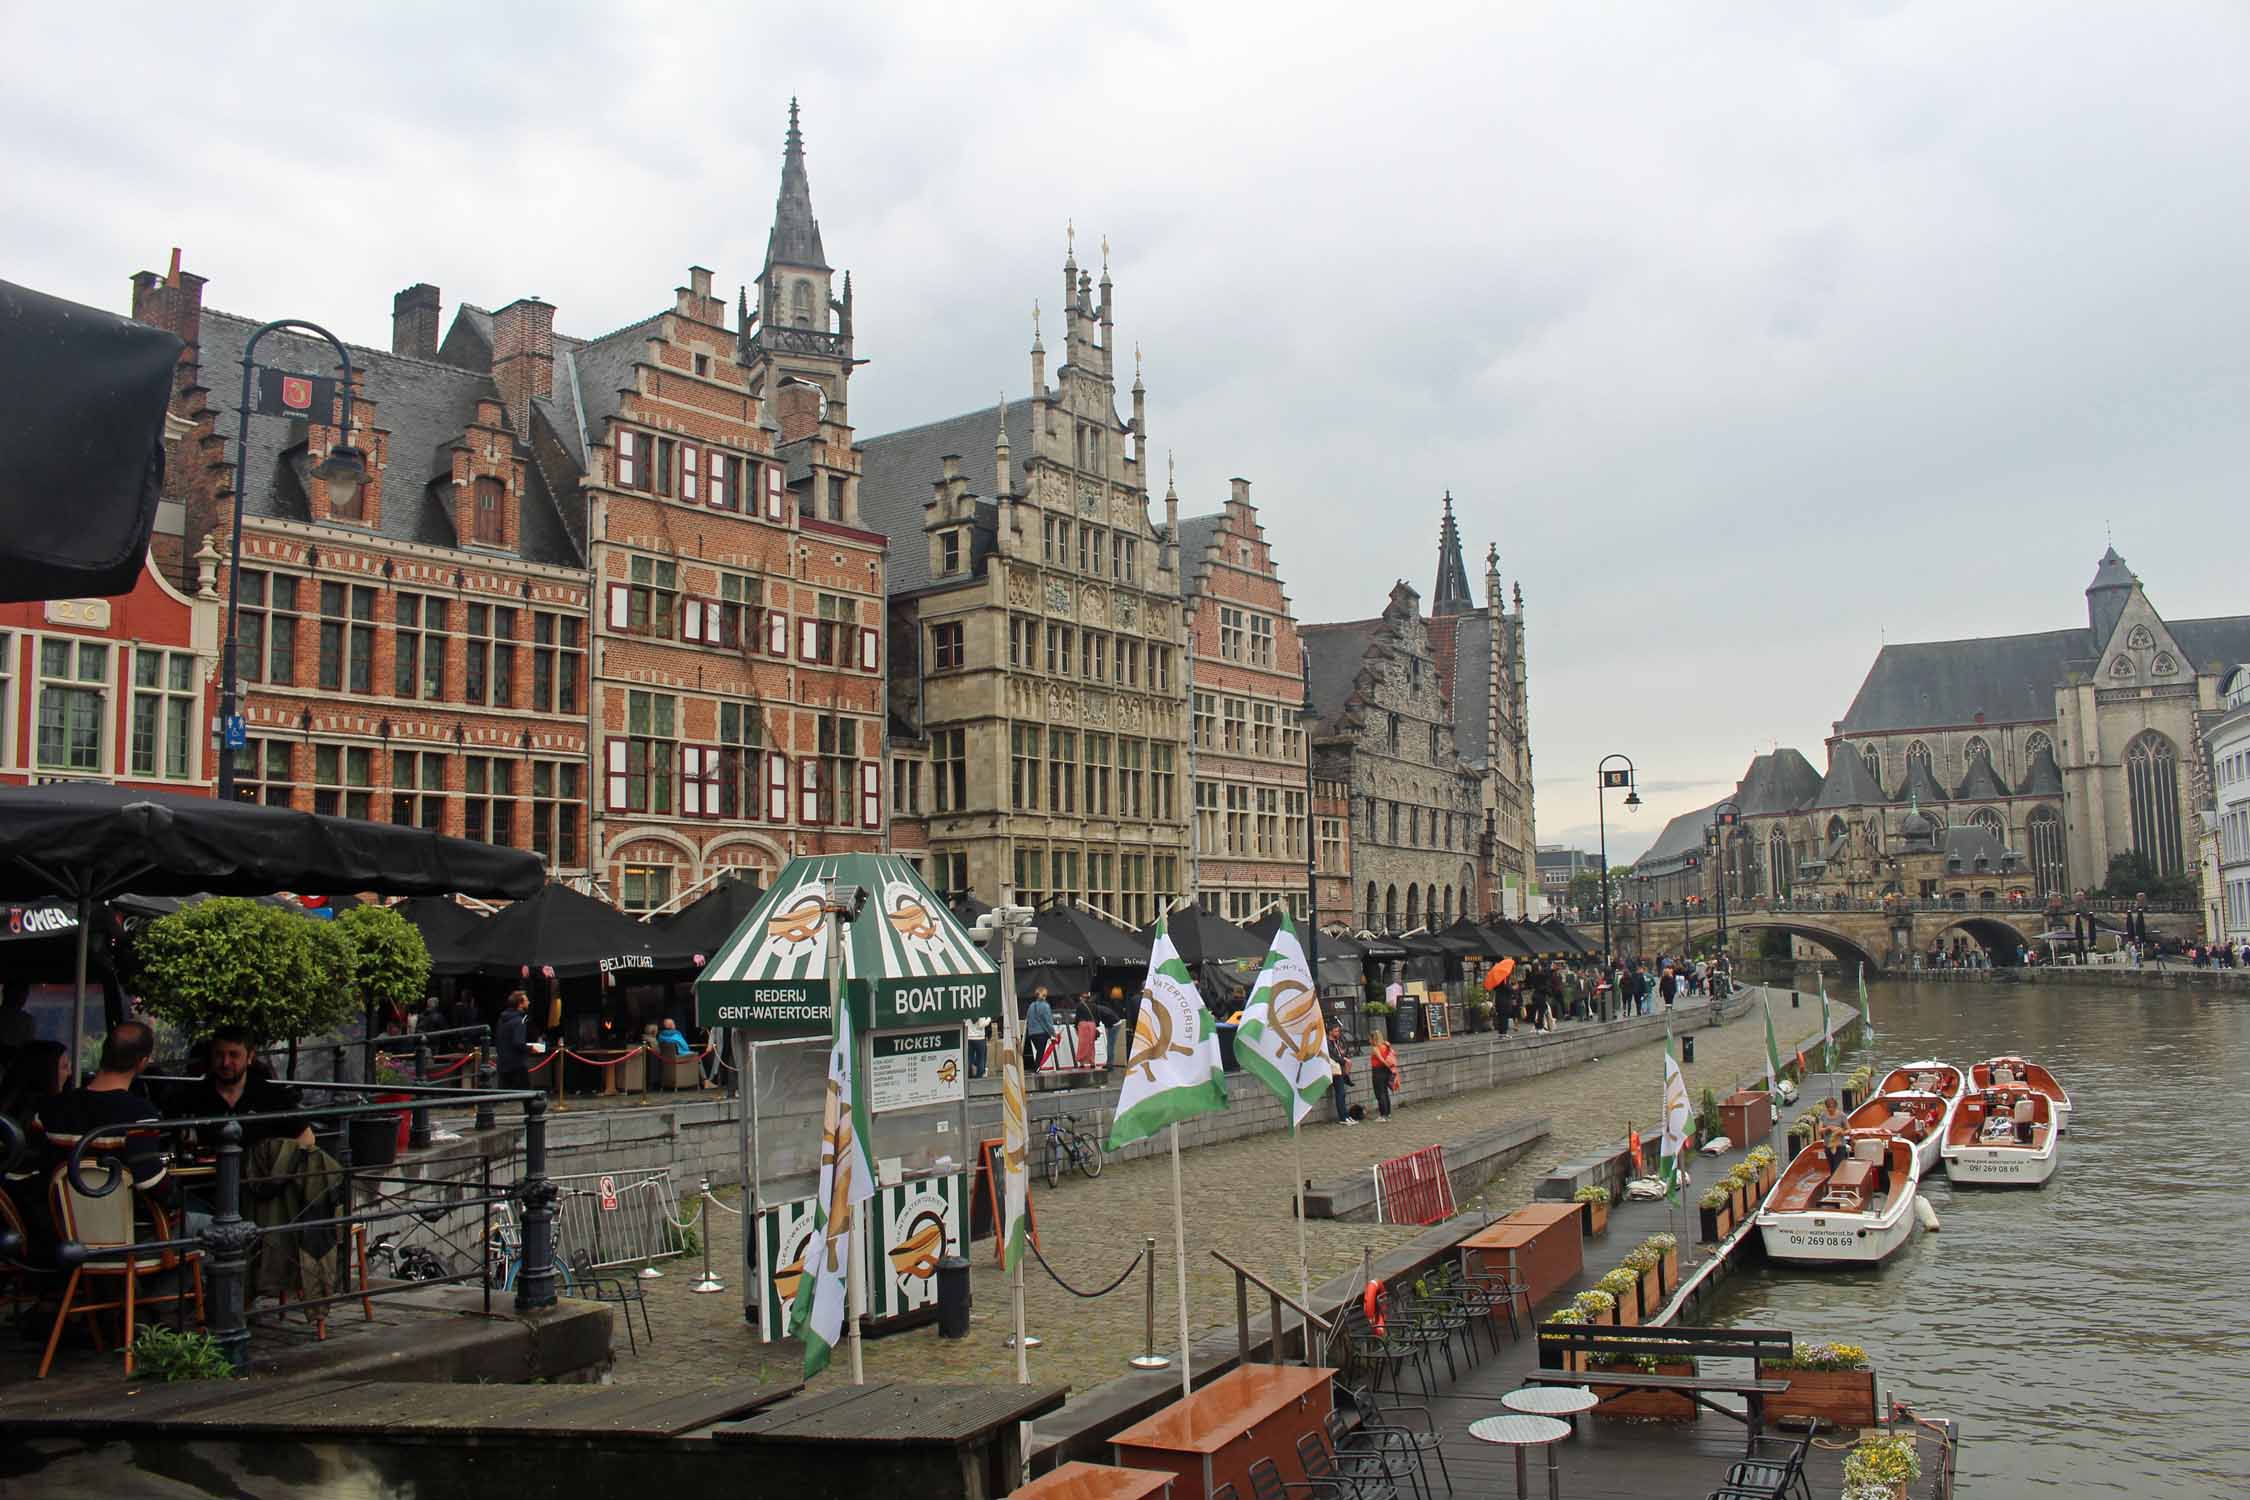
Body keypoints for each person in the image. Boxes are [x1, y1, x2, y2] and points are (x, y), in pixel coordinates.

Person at [35, 1020, 170, 1195]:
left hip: (58, 1218)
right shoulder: (140, 1115)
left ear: (104, 1053)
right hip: (121, 1221)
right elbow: (149, 1182)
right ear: (142, 1062)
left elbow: (26, 1171)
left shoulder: (50, 1108)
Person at [165, 1027, 314, 1150]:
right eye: (219, 1055)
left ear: (250, 1057)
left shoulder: (270, 1095)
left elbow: (307, 1137)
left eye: (234, 1055)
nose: (225, 1063)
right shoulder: (191, 1096)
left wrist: (277, 1168)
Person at [1, 1039, 70, 1131]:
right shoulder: (47, 1115)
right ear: (45, 1072)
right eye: (64, 1067)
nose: (69, 1073)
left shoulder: (9, 1105)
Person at [495, 990, 533, 1090]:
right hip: (517, 1065)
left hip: (503, 1063)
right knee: (527, 1096)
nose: (529, 1002)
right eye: (526, 1000)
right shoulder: (519, 1021)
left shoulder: (502, 1019)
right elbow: (518, 1043)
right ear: (520, 1004)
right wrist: (530, 1048)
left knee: (503, 1096)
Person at [1367, 1033, 1400, 1121]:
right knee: (1385, 1093)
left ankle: (1383, 1115)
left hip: (1378, 1071)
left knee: (1380, 1094)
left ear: (1373, 1039)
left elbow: (1381, 1059)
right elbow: (1393, 1054)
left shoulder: (1375, 1048)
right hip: (1385, 1071)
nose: (1369, 1041)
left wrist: (1389, 1067)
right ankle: (1388, 1113)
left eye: (1370, 1039)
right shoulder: (1385, 1045)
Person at [1327, 1020, 1354, 1125]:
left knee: (1342, 1094)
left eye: (1338, 1031)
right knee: (1340, 1093)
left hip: (1339, 1069)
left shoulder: (1336, 1041)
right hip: (1335, 1070)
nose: (1338, 1033)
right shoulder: (1328, 1042)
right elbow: (1333, 1056)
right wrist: (1343, 1060)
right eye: (1336, 1031)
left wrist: (1343, 1055)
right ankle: (1343, 1117)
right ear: (1330, 1032)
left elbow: (1338, 1054)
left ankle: (1345, 1115)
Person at [1024, 987, 1057, 1072]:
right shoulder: (1045, 1006)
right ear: (1045, 995)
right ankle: (1036, 1068)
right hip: (1042, 1033)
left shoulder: (1031, 1006)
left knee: (1038, 1051)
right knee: (1041, 1051)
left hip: (1032, 1033)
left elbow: (1028, 1018)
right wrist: (1053, 1034)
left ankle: (1036, 1067)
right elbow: (1048, 1021)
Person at [1098, 988, 1127, 1069]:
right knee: (1111, 1045)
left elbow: (1098, 1021)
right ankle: (1110, 1063)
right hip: (1114, 1023)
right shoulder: (1101, 1008)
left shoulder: (1098, 1010)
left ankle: (1110, 1065)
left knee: (1110, 1045)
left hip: (1114, 1025)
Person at [1073, 993, 1099, 1069]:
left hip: (1083, 1024)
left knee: (1082, 1044)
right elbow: (1097, 1017)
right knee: (1091, 1044)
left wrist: (1075, 1026)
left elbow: (1077, 1017)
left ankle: (1081, 1063)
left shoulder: (1079, 1006)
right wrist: (1095, 1025)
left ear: (1082, 998)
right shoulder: (1094, 1006)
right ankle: (1092, 1062)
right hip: (1092, 1024)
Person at [964, 1014, 989, 1079]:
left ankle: (967, 1075)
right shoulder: (980, 1011)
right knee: (981, 1059)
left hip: (969, 1037)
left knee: (969, 1058)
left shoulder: (967, 1010)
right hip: (980, 1038)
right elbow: (981, 1025)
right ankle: (979, 1076)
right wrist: (989, 1019)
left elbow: (964, 1022)